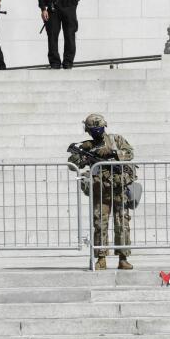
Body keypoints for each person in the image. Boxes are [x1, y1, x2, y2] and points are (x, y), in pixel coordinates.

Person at [67, 114, 135, 270]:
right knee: (100, 225)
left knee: (122, 224)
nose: (97, 132)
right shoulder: (87, 146)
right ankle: (101, 258)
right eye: (93, 130)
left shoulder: (116, 140)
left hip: (119, 189)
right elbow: (71, 164)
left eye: (99, 129)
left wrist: (113, 153)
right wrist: (83, 157)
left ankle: (123, 258)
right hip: (100, 190)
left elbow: (130, 153)